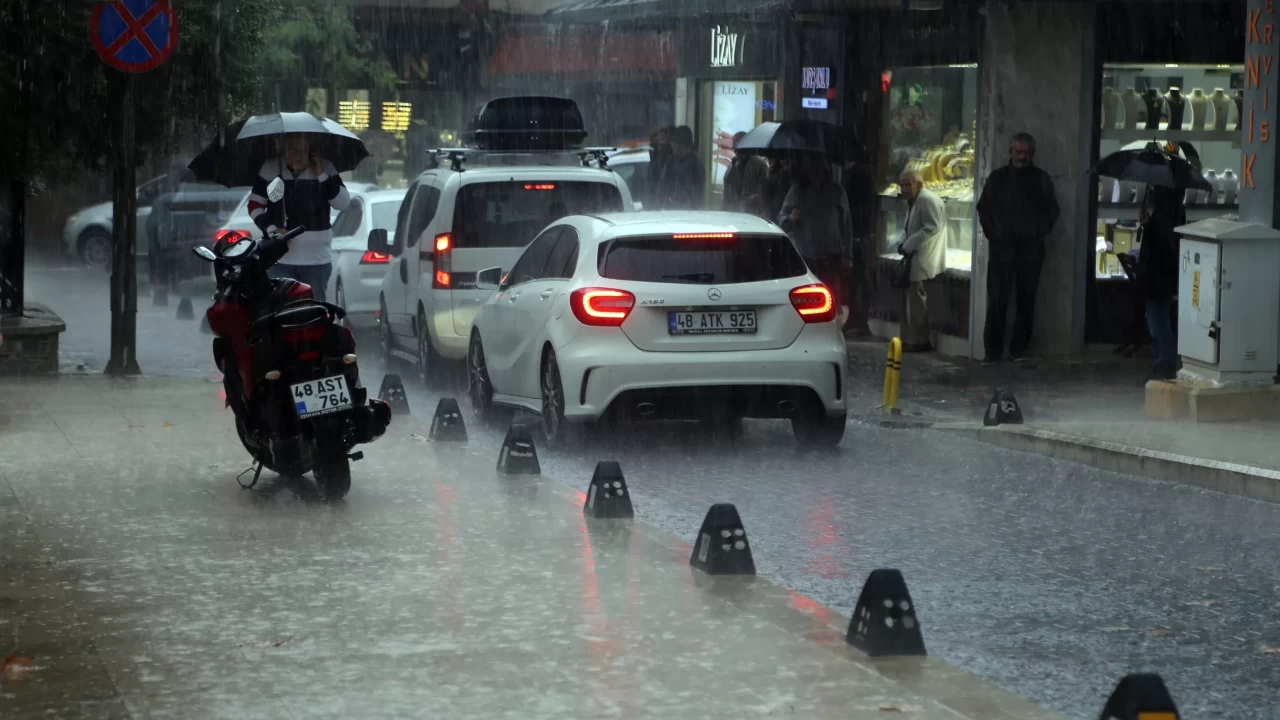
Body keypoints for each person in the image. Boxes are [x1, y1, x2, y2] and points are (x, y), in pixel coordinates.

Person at [976, 132, 1060, 364]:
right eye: (1018, 152)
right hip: (1001, 250)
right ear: (1010, 152)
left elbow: (1052, 211)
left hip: (1030, 251)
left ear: (1032, 154)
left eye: (1026, 152)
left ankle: (1019, 349)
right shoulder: (998, 178)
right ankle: (992, 352)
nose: (1021, 157)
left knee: (1026, 301)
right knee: (997, 301)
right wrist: (995, 234)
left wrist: (1036, 232)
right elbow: (984, 209)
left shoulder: (1041, 180)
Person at [248, 133, 351, 302]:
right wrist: (273, 231)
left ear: (311, 149)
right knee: (281, 309)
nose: (298, 155)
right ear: (284, 148)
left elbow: (343, 203)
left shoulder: (325, 167)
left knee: (314, 310)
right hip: (280, 259)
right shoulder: (272, 168)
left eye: (303, 149)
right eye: (293, 149)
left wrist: (321, 174)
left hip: (316, 261)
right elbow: (254, 206)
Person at [777, 156, 853, 320]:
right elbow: (782, 221)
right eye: (813, 171)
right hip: (805, 252)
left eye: (819, 170)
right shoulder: (797, 192)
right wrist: (791, 218)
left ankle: (832, 323)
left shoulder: (836, 191)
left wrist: (848, 254)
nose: (816, 174)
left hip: (831, 252)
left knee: (832, 295)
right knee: (807, 295)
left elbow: (846, 224)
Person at [893, 168, 946, 352]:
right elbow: (909, 228)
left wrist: (908, 245)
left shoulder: (927, 200)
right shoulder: (915, 201)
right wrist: (903, 243)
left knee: (917, 302)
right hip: (914, 256)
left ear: (919, 184)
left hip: (923, 256)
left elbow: (932, 227)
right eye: (902, 185)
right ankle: (910, 339)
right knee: (911, 301)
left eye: (908, 185)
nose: (904, 189)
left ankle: (920, 341)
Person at [1138, 184, 1184, 381]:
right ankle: (1162, 363)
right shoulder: (1173, 211)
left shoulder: (1165, 214)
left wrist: (1149, 227)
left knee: (1158, 323)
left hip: (1158, 278)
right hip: (1161, 278)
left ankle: (1163, 365)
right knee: (1158, 321)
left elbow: (1162, 247)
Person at [841, 157, 878, 338]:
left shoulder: (857, 176)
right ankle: (858, 318)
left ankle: (859, 318)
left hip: (857, 234)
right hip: (860, 233)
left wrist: (857, 233)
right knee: (858, 278)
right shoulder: (862, 175)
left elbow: (856, 209)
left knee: (858, 278)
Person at [656, 126, 704, 209]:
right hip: (672, 208)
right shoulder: (672, 161)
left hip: (686, 210)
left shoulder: (694, 164)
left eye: (673, 142)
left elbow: (693, 193)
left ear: (681, 144)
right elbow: (662, 187)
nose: (671, 145)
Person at [722, 132, 769, 213]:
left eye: (740, 148)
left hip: (752, 213)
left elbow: (764, 193)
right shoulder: (732, 166)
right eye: (735, 148)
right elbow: (726, 190)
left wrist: (750, 200)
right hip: (732, 212)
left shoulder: (759, 165)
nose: (736, 151)